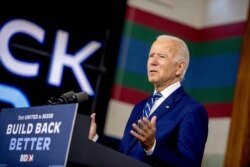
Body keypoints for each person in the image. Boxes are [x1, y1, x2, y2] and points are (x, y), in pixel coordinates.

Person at [89, 35, 209, 167]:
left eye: (161, 56)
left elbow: (189, 164)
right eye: (151, 55)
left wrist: (153, 147)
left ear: (179, 67)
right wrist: (95, 139)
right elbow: (124, 154)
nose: (153, 61)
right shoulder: (140, 106)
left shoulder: (192, 110)